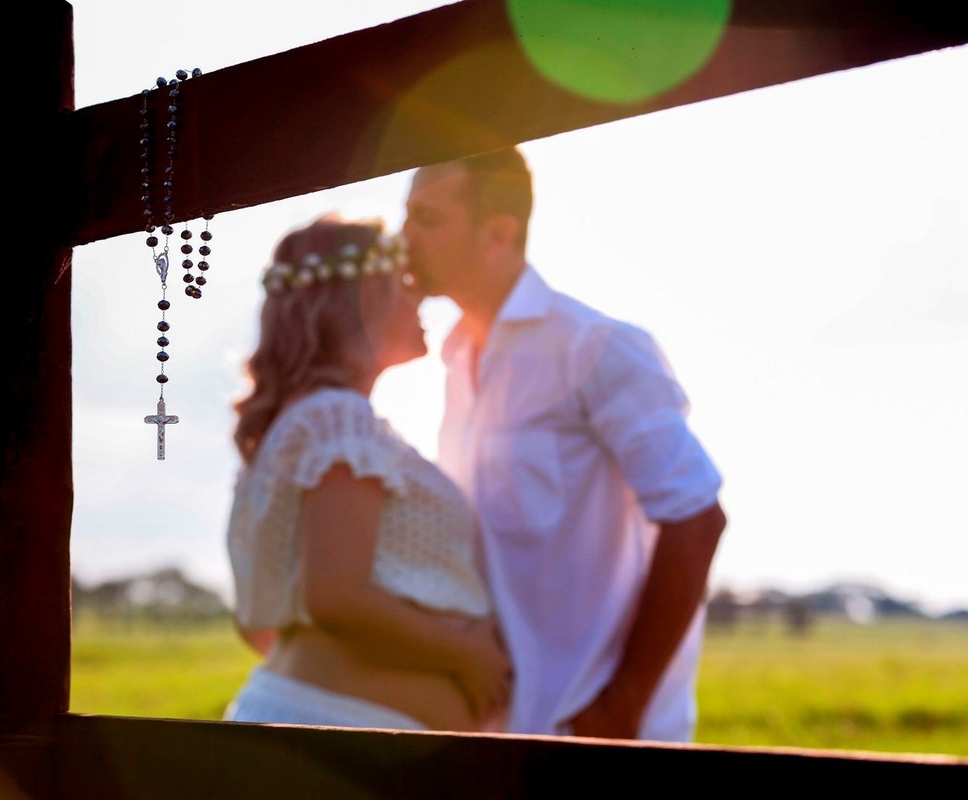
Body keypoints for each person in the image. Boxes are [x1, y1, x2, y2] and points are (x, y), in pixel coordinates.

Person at [401, 147, 728, 742]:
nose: (402, 238)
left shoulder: (595, 348)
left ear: (498, 232)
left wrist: (620, 708)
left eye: (426, 218)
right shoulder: (450, 361)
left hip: (594, 739)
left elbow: (697, 518)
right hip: (497, 734)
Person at [223, 213, 512, 732]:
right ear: (363, 298)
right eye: (403, 283)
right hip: (340, 736)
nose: (419, 299)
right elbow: (334, 595)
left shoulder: (293, 431)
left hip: (321, 724)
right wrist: (469, 655)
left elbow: (261, 625)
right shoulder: (338, 418)